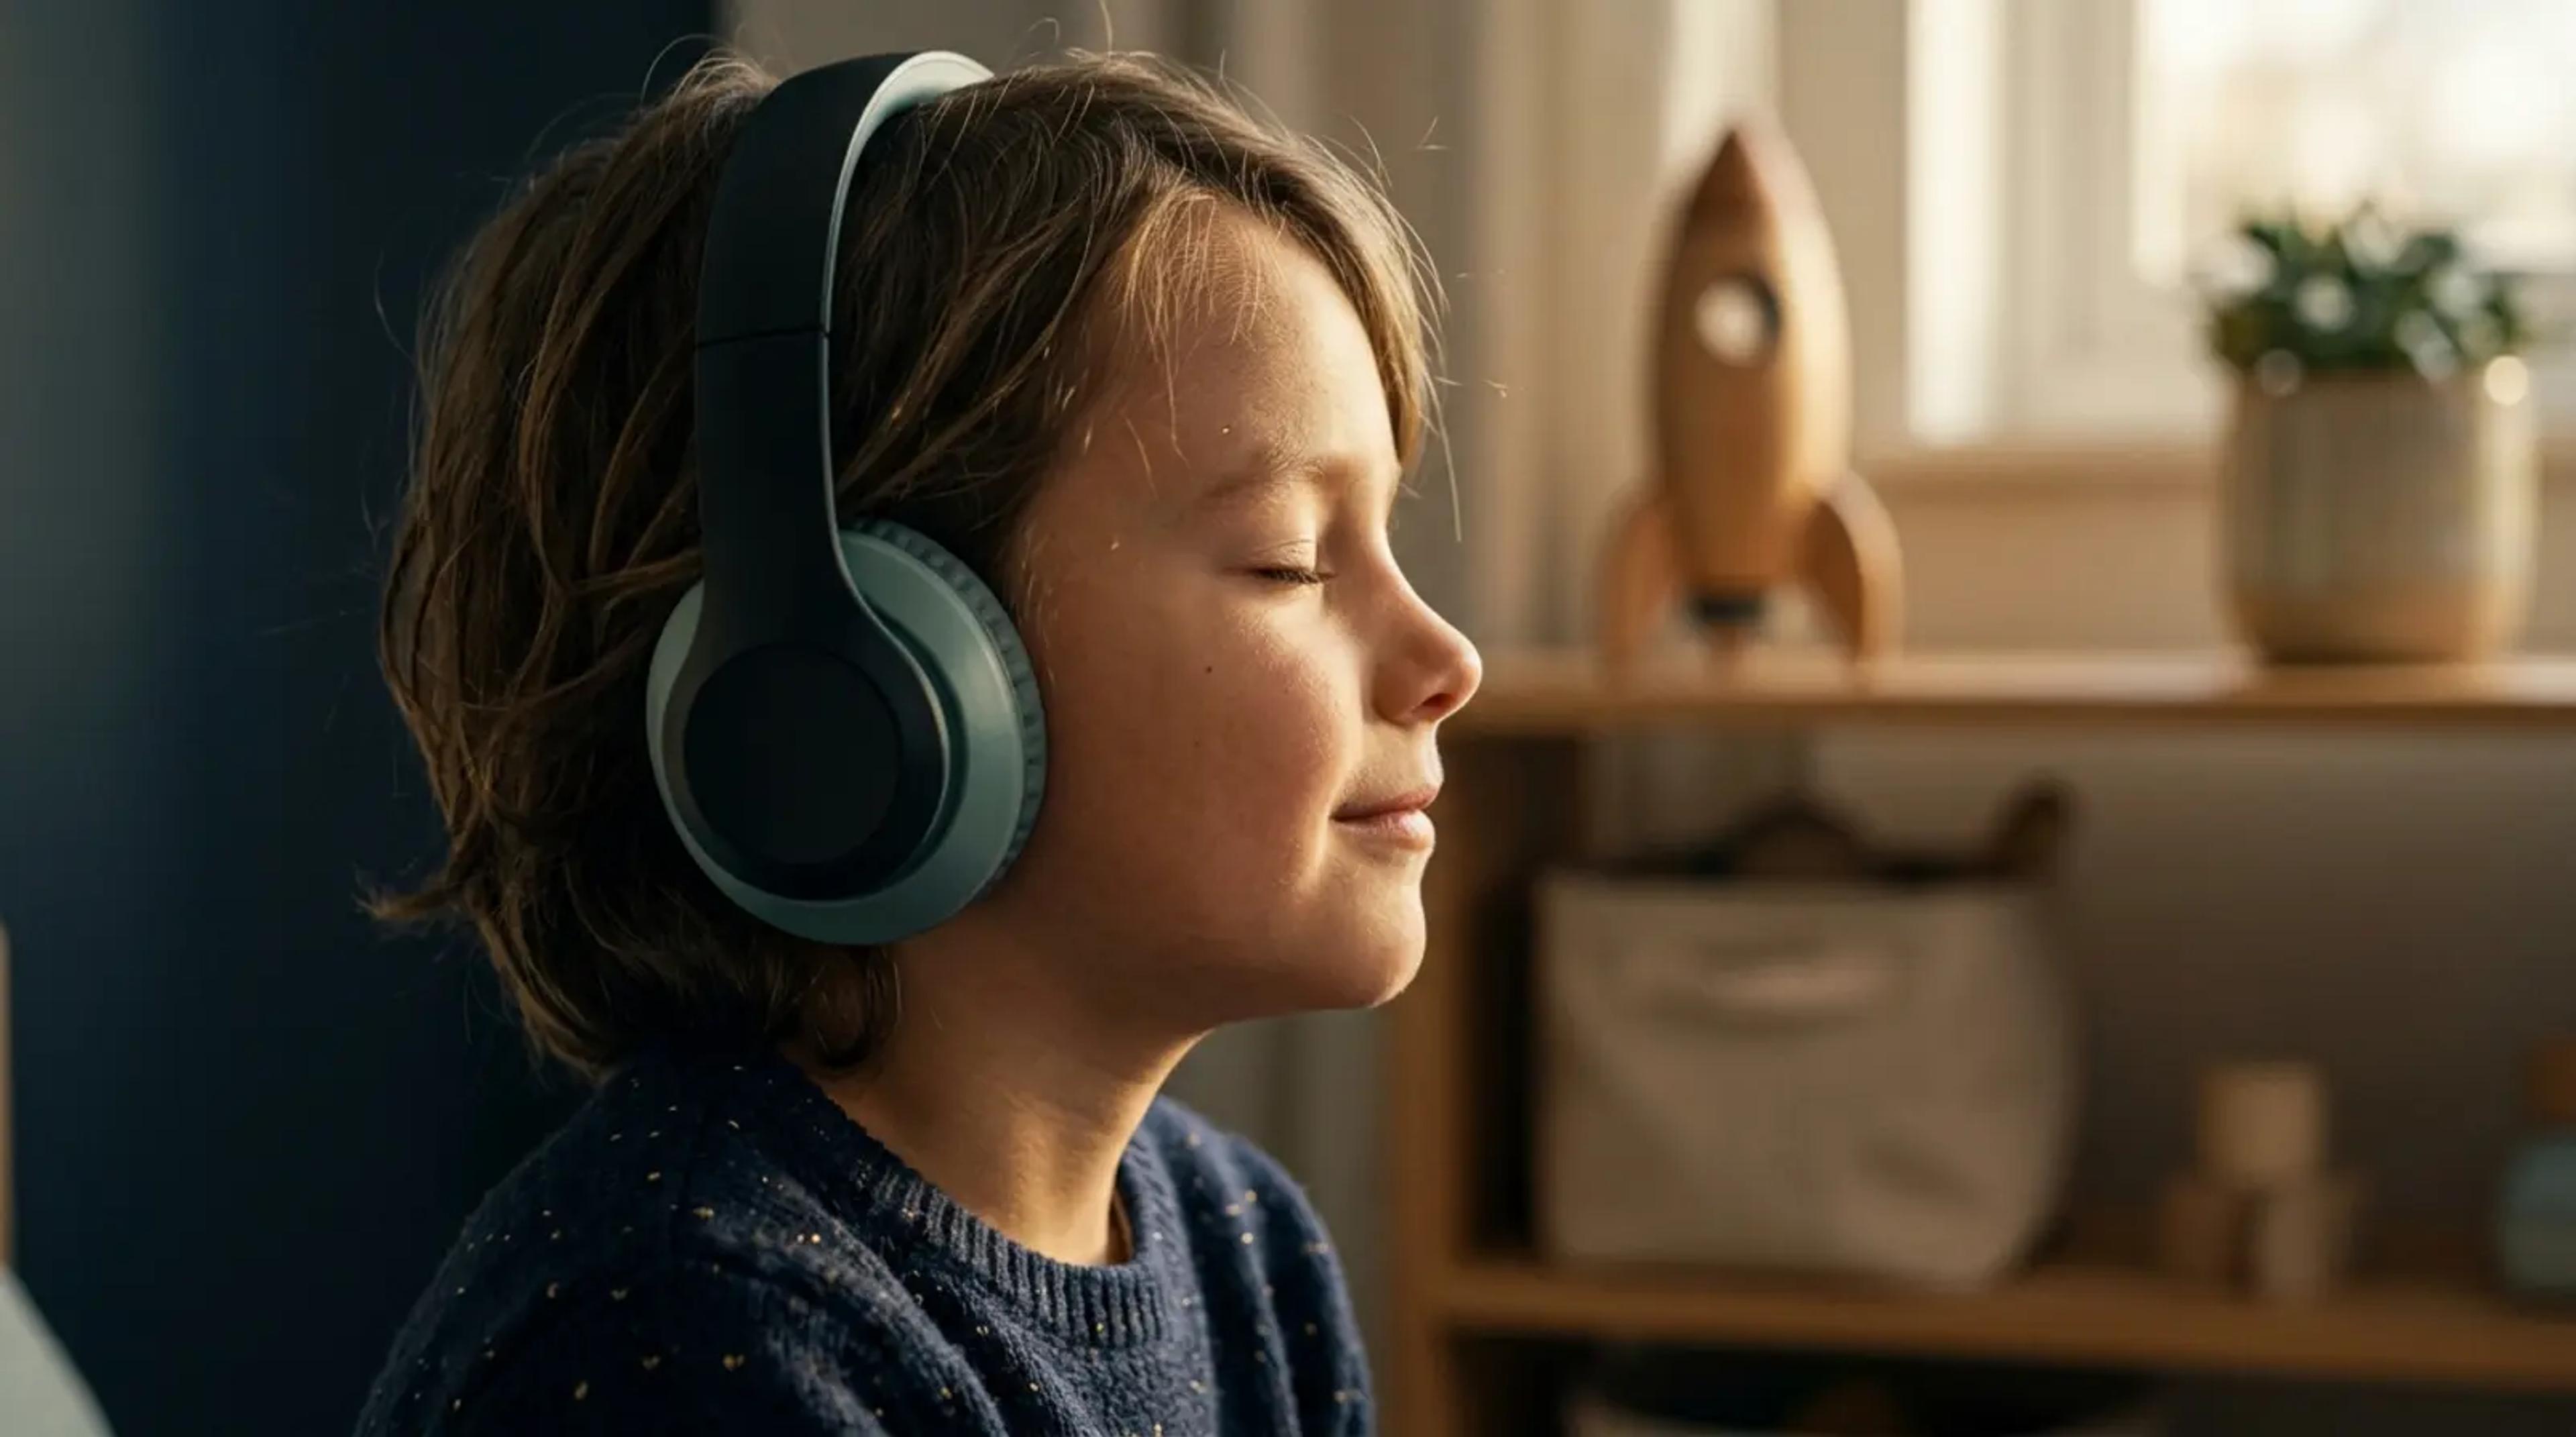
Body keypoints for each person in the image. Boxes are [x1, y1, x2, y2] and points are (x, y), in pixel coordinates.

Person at [353, 42, 1481, 1437]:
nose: (1448, 661)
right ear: (856, 670)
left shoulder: (1245, 1246)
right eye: (1292, 562)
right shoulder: (689, 1337)